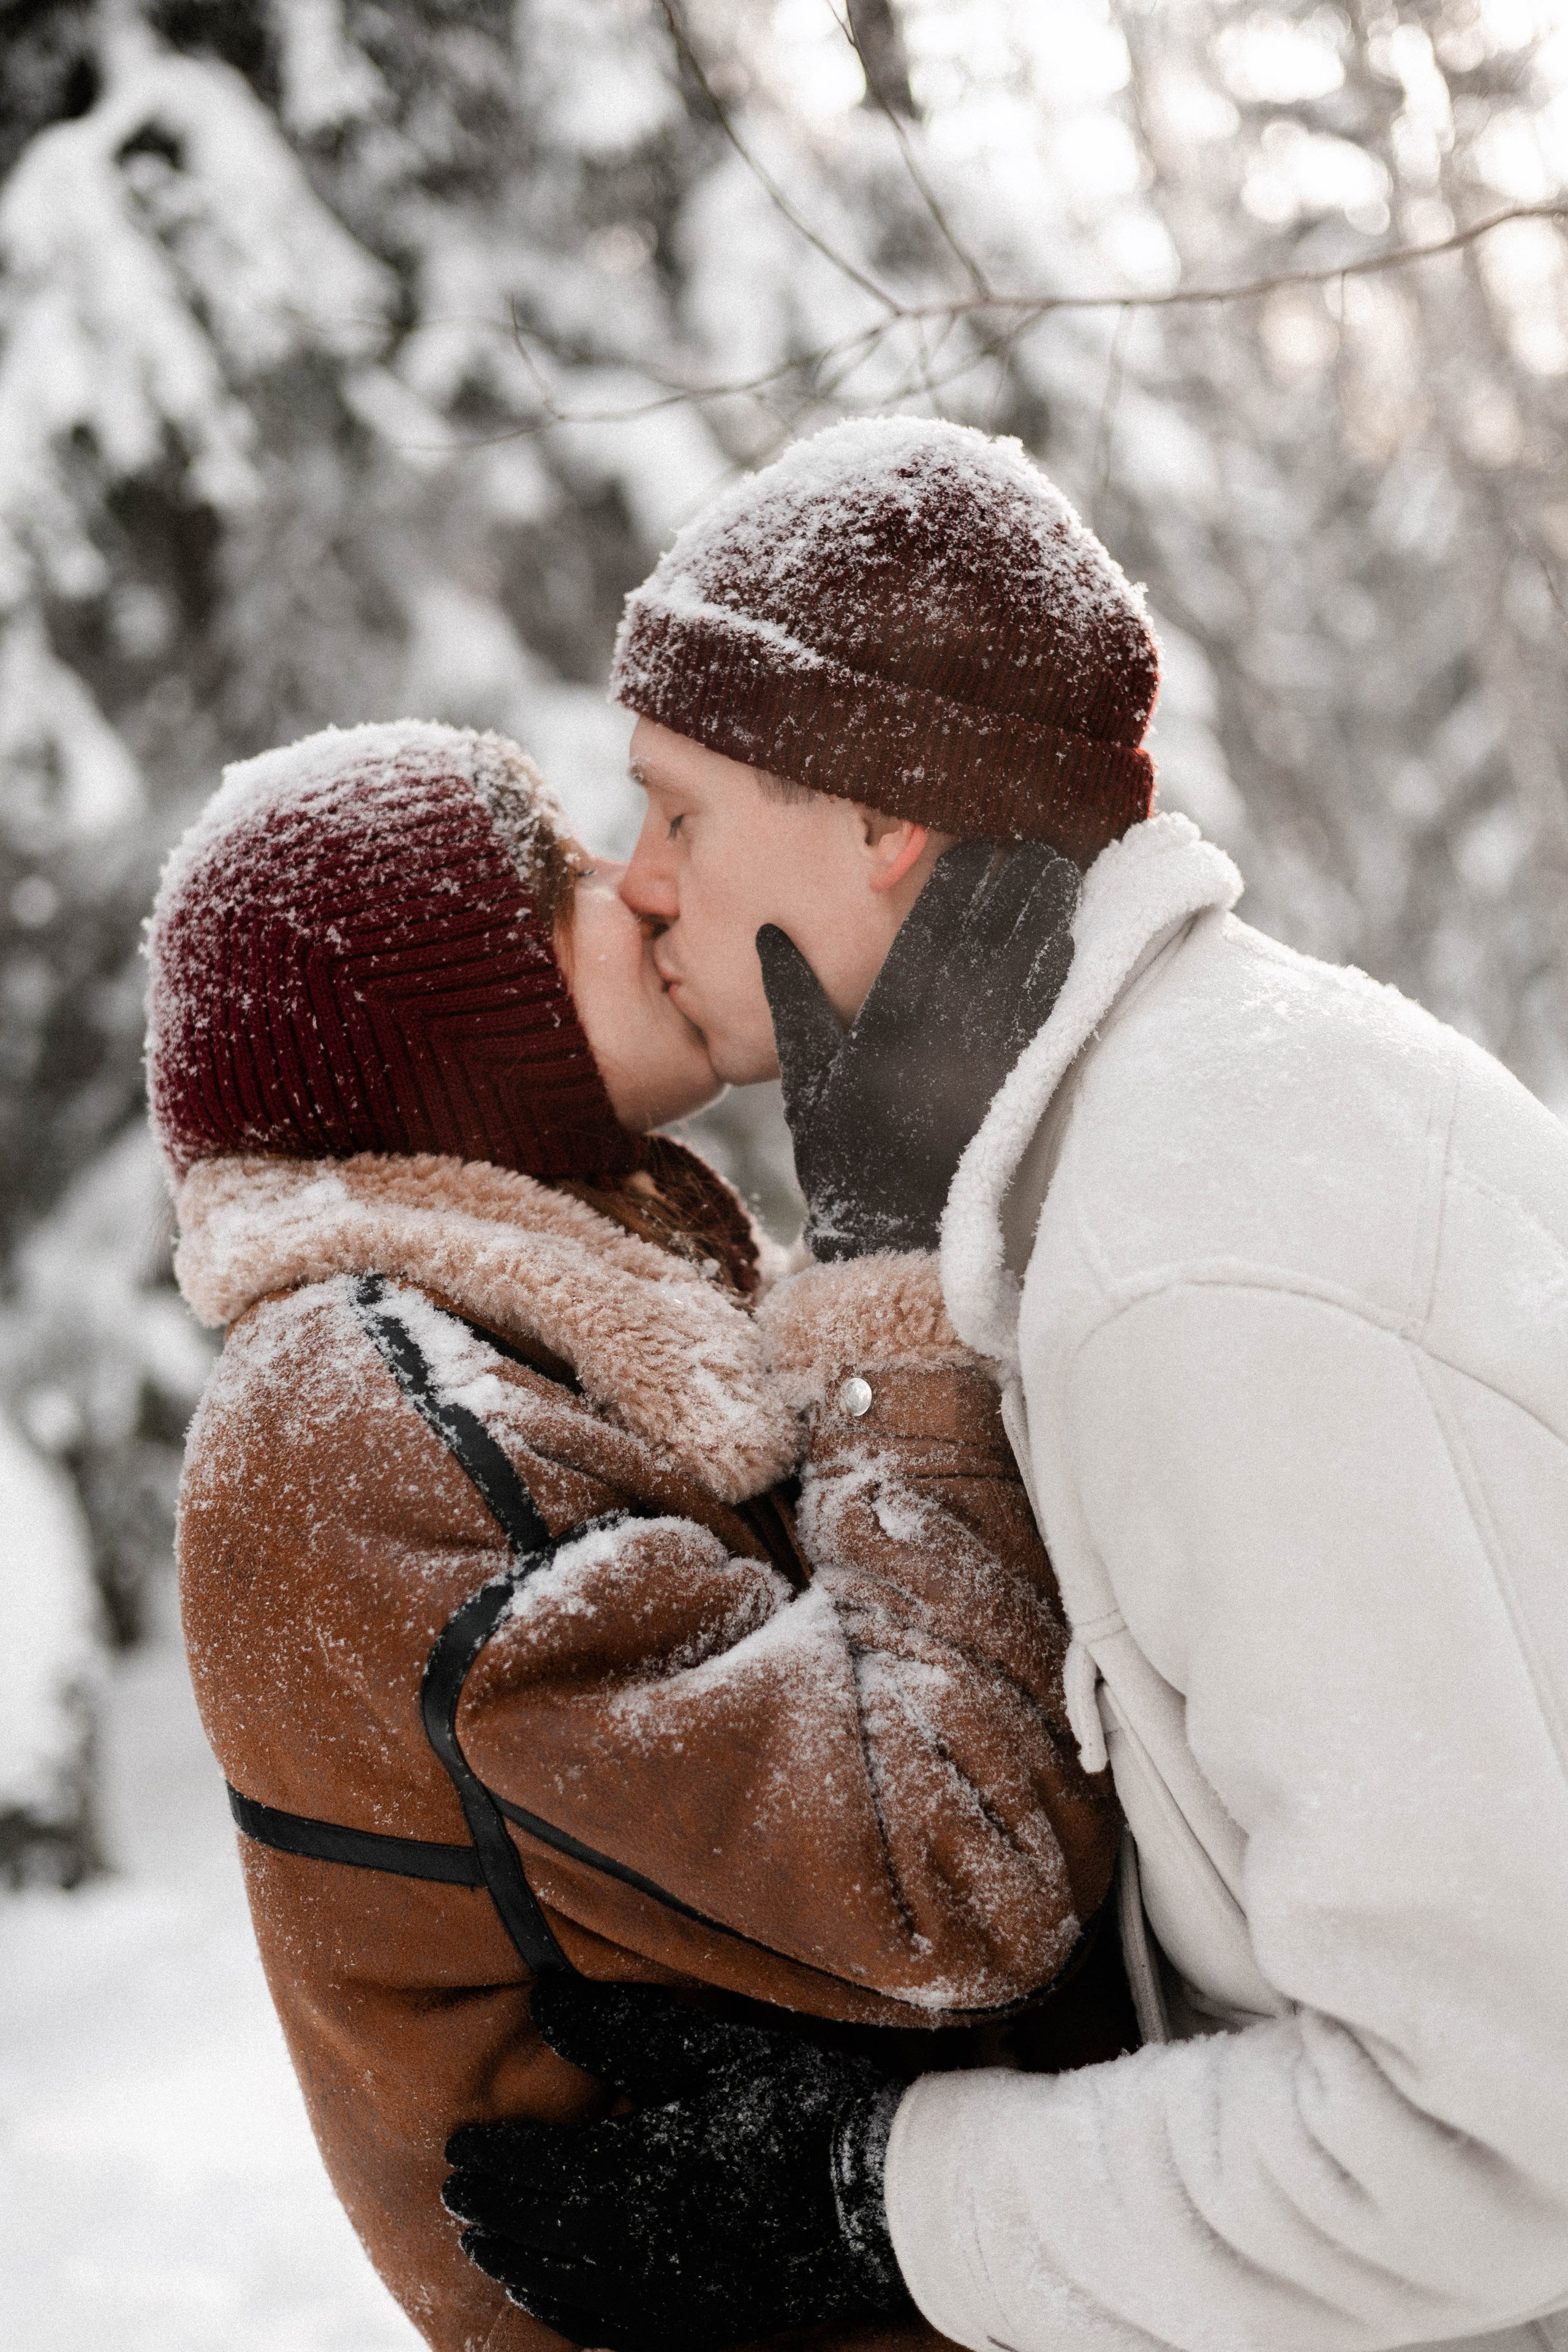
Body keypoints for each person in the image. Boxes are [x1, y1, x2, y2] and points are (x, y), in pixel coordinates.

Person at [443, 419, 1568, 2352]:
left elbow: (1493, 2143)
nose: (639, 892)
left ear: (885, 817)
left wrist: (868, 2198)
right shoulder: (1178, 1137)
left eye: (682, 814)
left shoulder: (1192, 1257)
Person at [146, 718, 1124, 2352]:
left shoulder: (535, 1336)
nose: (652, 889)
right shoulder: (381, 1421)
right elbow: (951, 1870)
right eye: (576, 876)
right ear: (445, 1014)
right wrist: (888, 1293)